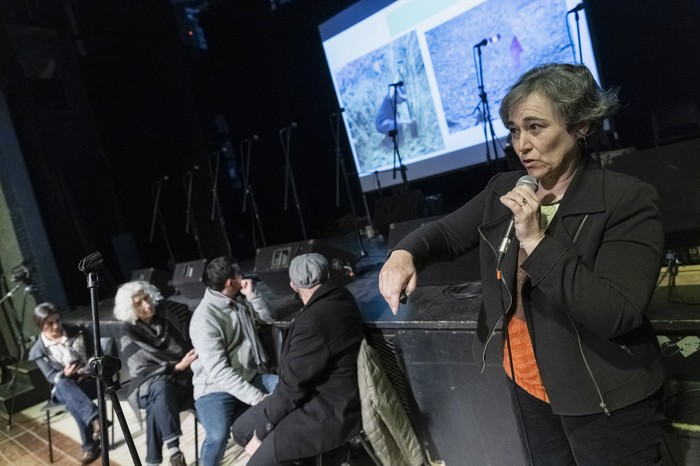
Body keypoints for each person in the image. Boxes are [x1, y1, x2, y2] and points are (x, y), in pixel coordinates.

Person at [378, 63, 667, 465]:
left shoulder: (625, 200)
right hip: (528, 386)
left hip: (603, 398)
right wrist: (403, 254)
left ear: (580, 126)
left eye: (535, 127)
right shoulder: (504, 188)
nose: (521, 145)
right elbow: (443, 235)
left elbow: (616, 313)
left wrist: (534, 239)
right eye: (514, 130)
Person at [232, 253, 365, 466]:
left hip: (326, 410)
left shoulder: (311, 324)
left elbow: (292, 388)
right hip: (319, 393)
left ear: (293, 285)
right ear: (327, 275)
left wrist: (260, 434)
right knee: (240, 430)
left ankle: (335, 455)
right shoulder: (342, 297)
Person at [190, 256, 278, 466]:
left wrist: (253, 295)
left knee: (288, 388)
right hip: (214, 389)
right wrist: (257, 398)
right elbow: (218, 372)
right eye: (238, 276)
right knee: (218, 436)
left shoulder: (238, 301)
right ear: (230, 282)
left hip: (248, 376)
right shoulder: (205, 319)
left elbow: (269, 318)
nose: (242, 279)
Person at [113, 281, 197, 466]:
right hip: (146, 386)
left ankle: (156, 460)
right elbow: (139, 370)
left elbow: (190, 324)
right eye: (139, 303)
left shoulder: (169, 313)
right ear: (130, 308)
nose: (147, 305)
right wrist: (176, 367)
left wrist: (180, 367)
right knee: (159, 385)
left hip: (181, 382)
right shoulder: (127, 330)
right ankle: (173, 450)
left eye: (147, 298)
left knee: (158, 397)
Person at [28, 303, 102, 465]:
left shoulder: (76, 332)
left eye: (57, 320)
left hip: (88, 381)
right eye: (49, 324)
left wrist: (84, 370)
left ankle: (90, 445)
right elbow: (50, 376)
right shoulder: (38, 350)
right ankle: (96, 419)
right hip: (64, 387)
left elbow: (95, 353)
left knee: (74, 402)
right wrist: (65, 374)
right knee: (64, 385)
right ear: (41, 325)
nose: (56, 326)